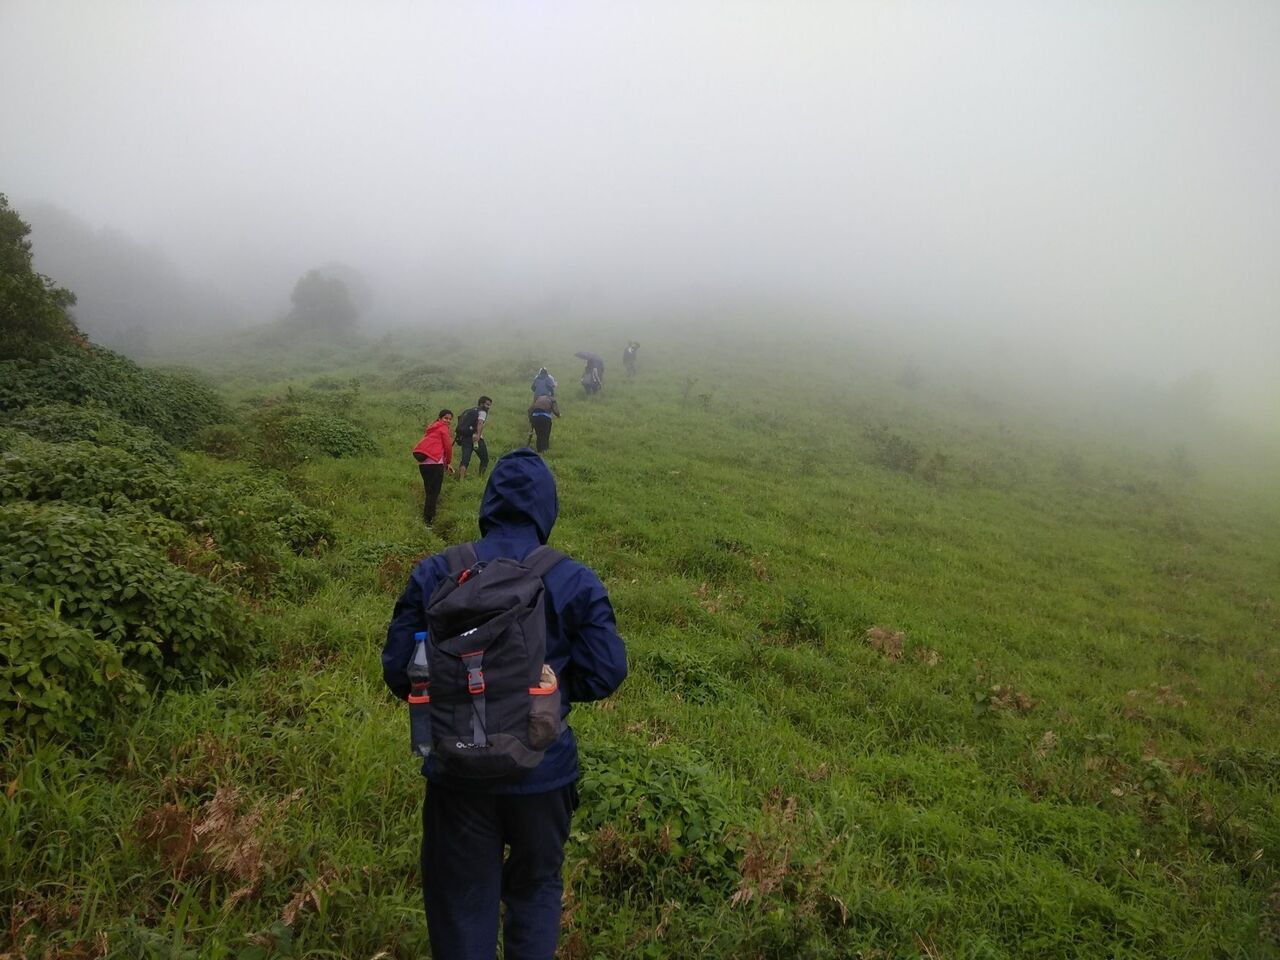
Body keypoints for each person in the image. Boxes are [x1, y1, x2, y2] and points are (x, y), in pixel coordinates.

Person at [383, 449, 627, 960]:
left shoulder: (438, 571)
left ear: (489, 501)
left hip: (456, 771)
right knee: (535, 891)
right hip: (544, 770)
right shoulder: (573, 578)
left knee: (461, 905)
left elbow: (398, 668)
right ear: (547, 508)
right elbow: (608, 669)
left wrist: (458, 689)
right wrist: (546, 688)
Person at [412, 409, 454, 523]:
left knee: (429, 492)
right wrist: (448, 462)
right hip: (435, 464)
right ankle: (428, 520)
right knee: (433, 493)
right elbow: (448, 447)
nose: (448, 421)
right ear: (440, 418)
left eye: (450, 419)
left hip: (423, 464)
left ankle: (428, 516)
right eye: (446, 418)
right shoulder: (443, 428)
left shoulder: (432, 428)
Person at [455, 395, 492, 480]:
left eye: (489, 405)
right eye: (487, 404)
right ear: (481, 404)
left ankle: (461, 480)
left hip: (465, 438)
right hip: (475, 438)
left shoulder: (469, 411)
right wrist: (478, 435)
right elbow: (480, 423)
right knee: (484, 459)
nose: (488, 407)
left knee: (465, 460)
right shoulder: (482, 412)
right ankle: (481, 478)